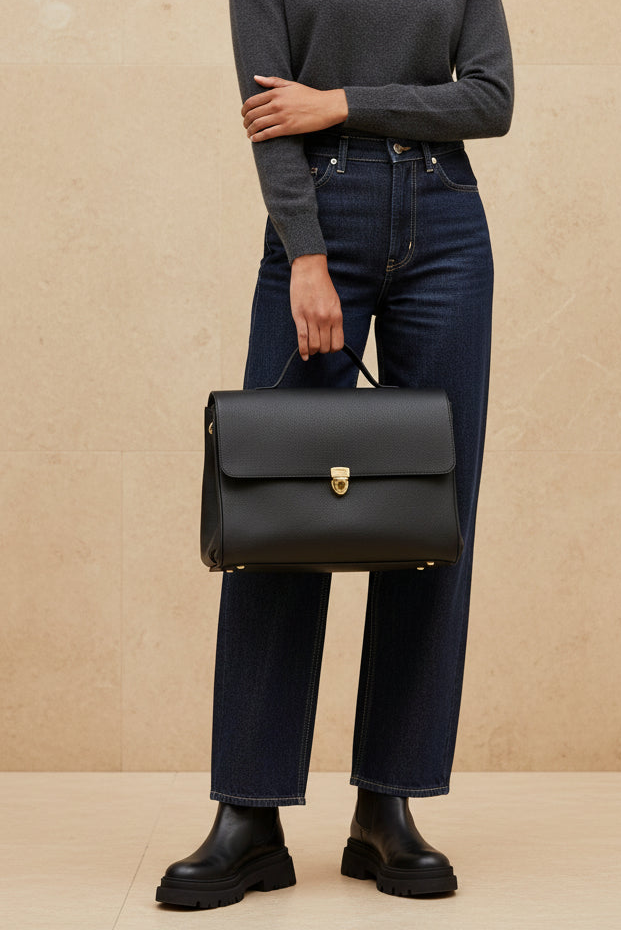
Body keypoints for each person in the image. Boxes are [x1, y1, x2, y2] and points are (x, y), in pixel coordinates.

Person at [156, 0, 514, 910]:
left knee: (429, 516)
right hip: (321, 215)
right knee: (279, 514)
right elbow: (274, 116)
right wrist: (304, 253)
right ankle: (249, 813)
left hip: (448, 224)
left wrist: (343, 100)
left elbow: (490, 99)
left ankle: (386, 805)